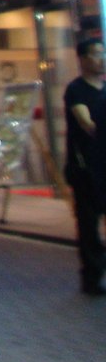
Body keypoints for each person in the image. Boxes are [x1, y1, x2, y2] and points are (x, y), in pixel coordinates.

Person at [64, 35, 106, 295]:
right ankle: (91, 277)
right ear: (82, 59)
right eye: (95, 54)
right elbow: (86, 123)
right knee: (89, 224)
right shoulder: (76, 90)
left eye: (103, 53)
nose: (100, 59)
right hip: (85, 169)